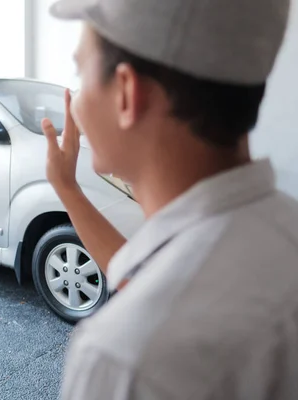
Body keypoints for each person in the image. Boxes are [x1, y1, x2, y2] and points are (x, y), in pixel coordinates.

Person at [42, 0, 298, 399]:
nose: (74, 102)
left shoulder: (123, 357)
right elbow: (150, 275)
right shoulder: (282, 227)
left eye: (80, 73)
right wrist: (67, 188)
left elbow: (162, 290)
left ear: (126, 93)